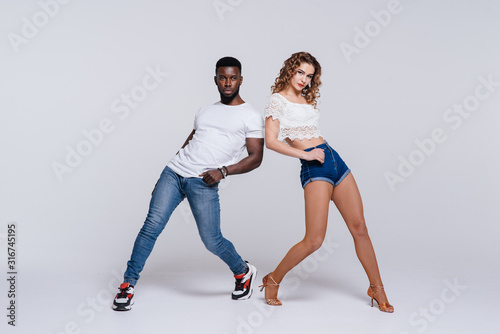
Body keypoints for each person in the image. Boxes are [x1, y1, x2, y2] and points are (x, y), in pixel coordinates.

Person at [113, 56, 264, 311]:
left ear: (240, 79)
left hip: (203, 180)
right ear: (215, 79)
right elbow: (192, 140)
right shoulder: (205, 110)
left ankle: (242, 271)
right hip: (173, 173)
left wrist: (223, 171)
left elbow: (256, 157)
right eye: (223, 77)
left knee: (211, 240)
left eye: (233, 77)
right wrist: (167, 172)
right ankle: (127, 285)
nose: (228, 82)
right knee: (151, 226)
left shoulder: (250, 116)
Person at [260, 51, 394, 312]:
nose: (304, 80)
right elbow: (271, 141)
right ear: (290, 70)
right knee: (314, 240)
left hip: (335, 160)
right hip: (314, 168)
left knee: (360, 227)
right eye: (300, 72)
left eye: (309, 76)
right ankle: (273, 279)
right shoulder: (277, 101)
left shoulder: (306, 100)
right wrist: (304, 154)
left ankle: (377, 288)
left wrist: (317, 151)